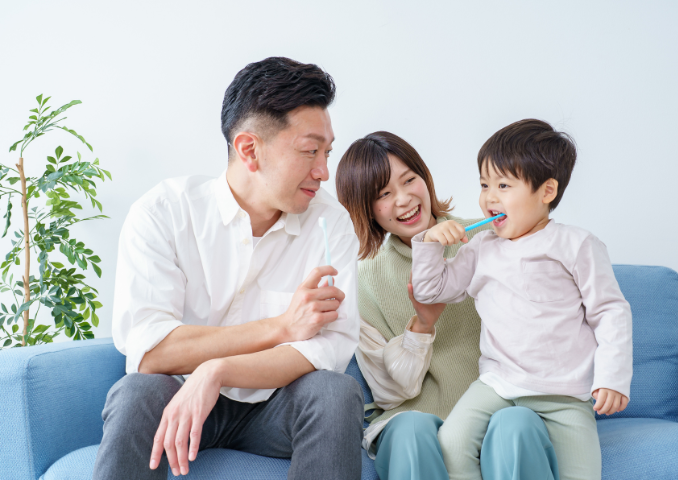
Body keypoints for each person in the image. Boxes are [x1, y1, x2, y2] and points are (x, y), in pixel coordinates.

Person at [92, 57, 364, 480]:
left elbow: (326, 352)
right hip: (181, 400)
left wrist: (218, 370)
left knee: (335, 391)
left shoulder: (331, 224)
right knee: (136, 391)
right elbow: (151, 352)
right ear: (249, 150)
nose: (324, 171)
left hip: (276, 408)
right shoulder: (165, 212)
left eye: (327, 152)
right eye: (310, 151)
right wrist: (281, 327)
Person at [411, 119, 633, 480]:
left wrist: (612, 377)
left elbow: (610, 312)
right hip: (498, 384)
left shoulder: (576, 244)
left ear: (546, 191)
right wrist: (430, 244)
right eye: (484, 185)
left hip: (564, 394)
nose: (489, 198)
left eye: (503, 185)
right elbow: (430, 290)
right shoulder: (481, 247)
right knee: (451, 443)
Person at [336, 131, 561, 480]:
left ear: (425, 178)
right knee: (410, 431)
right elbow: (390, 393)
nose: (404, 199)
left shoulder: (490, 235)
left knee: (515, 423)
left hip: (505, 406)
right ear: (365, 208)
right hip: (413, 417)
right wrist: (422, 326)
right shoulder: (361, 281)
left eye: (409, 180)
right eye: (383, 194)